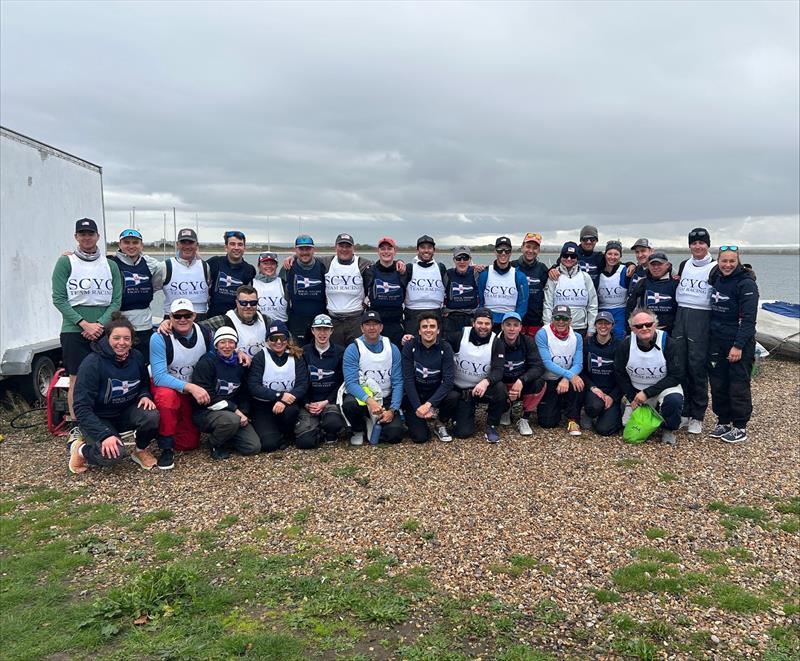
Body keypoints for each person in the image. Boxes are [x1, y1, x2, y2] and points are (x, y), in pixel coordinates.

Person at [68, 313, 160, 473]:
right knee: (113, 456)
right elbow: (81, 407)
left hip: (125, 412)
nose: (121, 343)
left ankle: (140, 450)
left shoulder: (137, 357)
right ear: (107, 338)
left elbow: (144, 384)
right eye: (116, 338)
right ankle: (80, 449)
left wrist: (145, 395)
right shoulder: (92, 363)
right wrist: (104, 435)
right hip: (99, 417)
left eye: (126, 338)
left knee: (152, 416)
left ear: (132, 341)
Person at [52, 218, 123, 420]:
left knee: (106, 375)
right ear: (76, 237)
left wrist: (99, 324)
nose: (87, 237)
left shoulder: (110, 265)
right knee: (76, 378)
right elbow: (58, 298)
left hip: (104, 329)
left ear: (97, 236)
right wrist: (83, 324)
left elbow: (116, 300)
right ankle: (76, 422)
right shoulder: (65, 262)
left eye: (90, 233)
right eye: (82, 234)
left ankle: (103, 417)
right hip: (74, 329)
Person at [149, 299, 212, 464]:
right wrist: (190, 387)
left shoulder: (205, 333)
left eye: (187, 315)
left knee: (188, 443)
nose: (182, 319)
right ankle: (165, 446)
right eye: (177, 316)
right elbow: (160, 377)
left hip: (191, 389)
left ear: (194, 316)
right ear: (170, 316)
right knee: (167, 399)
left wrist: (239, 354)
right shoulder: (159, 338)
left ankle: (157, 430)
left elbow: (216, 358)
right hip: (168, 386)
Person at [707, 246, 759, 443]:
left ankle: (740, 426)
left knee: (738, 383)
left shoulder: (746, 284)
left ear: (738, 261)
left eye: (731, 261)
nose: (727, 265)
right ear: (718, 262)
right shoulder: (716, 277)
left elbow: (748, 320)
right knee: (718, 382)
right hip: (716, 339)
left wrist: (738, 345)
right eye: (724, 261)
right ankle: (723, 420)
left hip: (738, 340)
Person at [614, 308, 685, 445]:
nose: (644, 328)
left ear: (655, 324)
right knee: (626, 426)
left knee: (674, 400)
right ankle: (629, 407)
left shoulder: (669, 343)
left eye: (648, 324)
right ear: (632, 329)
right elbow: (619, 373)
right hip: (636, 391)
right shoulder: (626, 345)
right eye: (639, 326)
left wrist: (647, 393)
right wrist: (631, 395)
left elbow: (677, 375)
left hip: (663, 388)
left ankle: (668, 429)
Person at [191, 327, 261, 459]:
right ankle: (214, 443)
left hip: (233, 411)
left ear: (236, 345)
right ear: (216, 344)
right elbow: (207, 397)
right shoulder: (206, 363)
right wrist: (235, 410)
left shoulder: (240, 363)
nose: (227, 346)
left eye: (231, 342)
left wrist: (244, 412)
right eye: (222, 342)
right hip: (207, 410)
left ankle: (227, 436)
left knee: (252, 447)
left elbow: (244, 392)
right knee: (231, 420)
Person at [673, 228, 716, 434]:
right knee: (680, 365)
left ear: (707, 244)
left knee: (697, 367)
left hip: (702, 317)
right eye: (694, 243)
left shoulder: (715, 267)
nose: (697, 246)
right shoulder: (684, 264)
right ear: (689, 245)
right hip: (682, 314)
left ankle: (698, 415)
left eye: (701, 243)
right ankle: (684, 411)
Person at [340, 311, 405, 445]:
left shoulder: (392, 348)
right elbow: (351, 383)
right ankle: (358, 428)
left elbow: (398, 381)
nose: (371, 328)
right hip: (363, 397)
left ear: (381, 327)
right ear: (361, 328)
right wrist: (371, 402)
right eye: (367, 324)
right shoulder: (353, 349)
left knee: (395, 435)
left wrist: (393, 410)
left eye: (375, 324)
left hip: (385, 396)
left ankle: (374, 421)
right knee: (350, 404)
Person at [441, 308, 505, 441]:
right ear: (473, 323)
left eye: (487, 324)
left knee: (500, 389)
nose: (483, 327)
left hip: (481, 389)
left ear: (492, 325)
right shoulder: (459, 336)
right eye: (480, 323)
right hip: (461, 390)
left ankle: (491, 425)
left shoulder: (497, 342)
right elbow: (437, 342)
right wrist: (414, 340)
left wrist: (486, 381)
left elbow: (498, 370)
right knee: (463, 433)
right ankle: (446, 419)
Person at [248, 321, 309, 452]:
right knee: (269, 445)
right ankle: (267, 429)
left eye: (283, 338)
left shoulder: (296, 356)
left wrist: (284, 400)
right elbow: (254, 386)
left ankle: (287, 434)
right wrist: (278, 396)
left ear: (288, 339)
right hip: (263, 406)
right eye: (274, 338)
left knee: (291, 411)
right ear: (267, 340)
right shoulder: (260, 357)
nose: (278, 342)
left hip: (287, 404)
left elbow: (303, 384)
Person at [488, 312, 546, 440]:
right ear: (502, 326)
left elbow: (538, 366)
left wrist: (521, 380)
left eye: (515, 325)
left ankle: (524, 418)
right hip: (501, 383)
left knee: (539, 382)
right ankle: (506, 409)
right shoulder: (494, 342)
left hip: (520, 383)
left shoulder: (528, 341)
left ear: (520, 327)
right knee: (497, 387)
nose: (512, 329)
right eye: (508, 325)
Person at [110, 228, 165, 362]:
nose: (131, 246)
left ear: (141, 245)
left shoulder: (150, 264)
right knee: (120, 361)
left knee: (143, 362)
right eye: (126, 242)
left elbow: (158, 282)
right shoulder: (111, 263)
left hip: (145, 324)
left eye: (135, 242)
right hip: (120, 323)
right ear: (120, 244)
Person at [401, 312, 456, 443]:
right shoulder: (410, 346)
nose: (428, 330)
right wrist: (418, 407)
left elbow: (448, 381)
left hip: (434, 393)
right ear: (419, 331)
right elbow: (407, 379)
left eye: (432, 326)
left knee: (454, 396)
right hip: (415, 395)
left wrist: (429, 405)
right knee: (420, 438)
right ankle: (410, 417)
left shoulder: (445, 347)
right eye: (424, 327)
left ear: (438, 330)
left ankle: (440, 422)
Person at [296, 314, 347, 447]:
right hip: (308, 404)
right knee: (305, 442)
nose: (322, 333)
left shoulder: (341, 352)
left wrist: (326, 402)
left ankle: (330, 430)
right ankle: (315, 430)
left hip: (329, 401)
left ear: (332, 331)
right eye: (319, 329)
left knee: (333, 424)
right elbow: (298, 381)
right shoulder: (303, 352)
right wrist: (306, 403)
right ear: (312, 331)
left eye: (326, 329)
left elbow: (342, 382)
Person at [535, 305, 584, 435]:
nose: (561, 321)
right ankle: (560, 405)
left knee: (578, 383)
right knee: (547, 423)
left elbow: (578, 364)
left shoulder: (577, 337)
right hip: (549, 378)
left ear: (570, 320)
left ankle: (573, 419)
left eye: (564, 318)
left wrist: (567, 378)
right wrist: (568, 375)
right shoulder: (542, 334)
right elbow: (547, 363)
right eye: (557, 318)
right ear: (552, 319)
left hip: (567, 379)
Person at [321, 233, 373, 346]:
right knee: (336, 357)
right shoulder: (326, 262)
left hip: (356, 320)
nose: (344, 249)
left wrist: (399, 262)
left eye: (348, 246)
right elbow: (307, 259)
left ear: (353, 248)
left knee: (357, 355)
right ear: (336, 247)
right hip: (333, 320)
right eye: (341, 246)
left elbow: (383, 266)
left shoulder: (363, 263)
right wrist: (293, 257)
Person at [581, 311, 623, 436]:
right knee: (595, 406)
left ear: (612, 325)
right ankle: (590, 413)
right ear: (595, 325)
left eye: (607, 323)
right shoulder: (586, 343)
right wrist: (592, 387)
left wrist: (613, 396)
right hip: (593, 389)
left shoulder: (620, 346)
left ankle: (617, 410)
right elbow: (581, 371)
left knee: (605, 430)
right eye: (600, 323)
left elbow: (624, 376)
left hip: (612, 391)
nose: (603, 326)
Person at [543, 242, 598, 337]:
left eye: (572, 256)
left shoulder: (586, 277)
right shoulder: (554, 276)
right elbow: (548, 304)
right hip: (558, 327)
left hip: (581, 328)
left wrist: (591, 329)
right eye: (565, 255)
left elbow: (592, 305)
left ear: (577, 258)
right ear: (561, 257)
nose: (569, 259)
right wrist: (548, 328)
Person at [363, 237, 409, 347]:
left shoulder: (403, 271)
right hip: (375, 323)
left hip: (396, 323)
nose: (386, 252)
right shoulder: (369, 271)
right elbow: (364, 292)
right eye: (382, 249)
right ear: (378, 251)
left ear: (395, 251)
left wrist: (401, 262)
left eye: (389, 248)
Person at [477, 236, 529, 332]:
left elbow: (523, 303)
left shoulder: (519, 276)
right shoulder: (485, 274)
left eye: (507, 250)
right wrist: (483, 321)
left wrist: (513, 323)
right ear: (495, 252)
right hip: (488, 322)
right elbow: (480, 299)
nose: (503, 253)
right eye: (500, 250)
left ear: (511, 253)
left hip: (509, 322)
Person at [283, 235, 327, 345]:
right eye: (301, 249)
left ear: (313, 249)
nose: (304, 252)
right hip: (297, 320)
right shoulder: (288, 268)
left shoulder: (323, 266)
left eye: (308, 249)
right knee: (298, 354)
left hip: (319, 320)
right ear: (295, 250)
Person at [161, 227, 210, 320]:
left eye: (191, 243)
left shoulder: (205, 266)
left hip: (200, 316)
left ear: (197, 245)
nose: (187, 246)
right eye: (183, 242)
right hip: (174, 316)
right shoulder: (166, 266)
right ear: (177, 244)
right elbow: (152, 289)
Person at [626, 251, 679, 334]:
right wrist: (629, 330)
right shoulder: (642, 283)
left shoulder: (676, 284)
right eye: (653, 265)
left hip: (669, 330)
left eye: (659, 264)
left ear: (667, 265)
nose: (656, 267)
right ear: (648, 266)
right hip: (645, 329)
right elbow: (630, 307)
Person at [206, 230, 256, 317]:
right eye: (232, 244)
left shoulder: (250, 270)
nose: (236, 248)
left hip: (236, 318)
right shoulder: (214, 262)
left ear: (244, 248)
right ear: (226, 247)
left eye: (240, 244)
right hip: (213, 316)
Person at [404, 235, 447, 333]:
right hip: (413, 314)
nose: (426, 251)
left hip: (435, 312)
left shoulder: (441, 268)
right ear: (417, 250)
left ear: (434, 250)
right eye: (423, 247)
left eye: (429, 248)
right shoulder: (409, 268)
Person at [511, 232, 549, 339]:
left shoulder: (542, 269)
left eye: (535, 248)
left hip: (536, 321)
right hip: (516, 319)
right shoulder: (512, 266)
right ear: (522, 247)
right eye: (528, 247)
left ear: (538, 250)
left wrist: (554, 268)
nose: (531, 251)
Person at [442, 246, 479, 346]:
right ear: (454, 260)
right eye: (458, 258)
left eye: (465, 258)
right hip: (451, 317)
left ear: (470, 260)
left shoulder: (476, 273)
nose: (462, 261)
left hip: (470, 317)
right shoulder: (448, 274)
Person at [597, 240, 630, 339]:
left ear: (620, 256)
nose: (612, 257)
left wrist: (631, 264)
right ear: (605, 254)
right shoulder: (598, 271)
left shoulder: (625, 270)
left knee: (619, 338)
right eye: (609, 254)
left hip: (620, 311)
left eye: (616, 254)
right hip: (602, 310)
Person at [253, 251, 288, 322]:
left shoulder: (283, 283)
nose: (269, 266)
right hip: (259, 324)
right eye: (265, 263)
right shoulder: (252, 283)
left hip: (281, 326)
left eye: (272, 264)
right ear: (259, 266)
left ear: (276, 266)